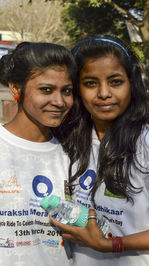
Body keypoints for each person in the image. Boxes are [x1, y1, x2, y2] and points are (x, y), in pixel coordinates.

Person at [50, 35, 149, 266]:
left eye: (115, 81)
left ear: (132, 83)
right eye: (90, 83)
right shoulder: (68, 141)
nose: (104, 93)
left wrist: (111, 245)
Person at [0, 42, 77, 265]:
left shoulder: (72, 155)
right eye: (46, 90)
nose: (59, 102)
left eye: (67, 91)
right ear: (16, 88)